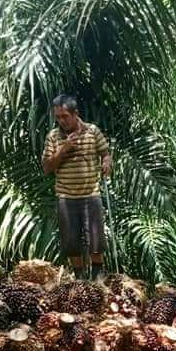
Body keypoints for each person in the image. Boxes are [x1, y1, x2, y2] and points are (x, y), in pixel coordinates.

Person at [41, 94, 112, 280]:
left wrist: (106, 163)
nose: (61, 121)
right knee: (71, 241)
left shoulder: (92, 131)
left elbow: (105, 153)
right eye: (58, 117)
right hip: (66, 196)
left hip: (91, 193)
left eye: (65, 116)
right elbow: (47, 168)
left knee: (96, 239)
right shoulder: (53, 137)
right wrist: (62, 150)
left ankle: (98, 277)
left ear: (75, 113)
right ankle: (79, 278)